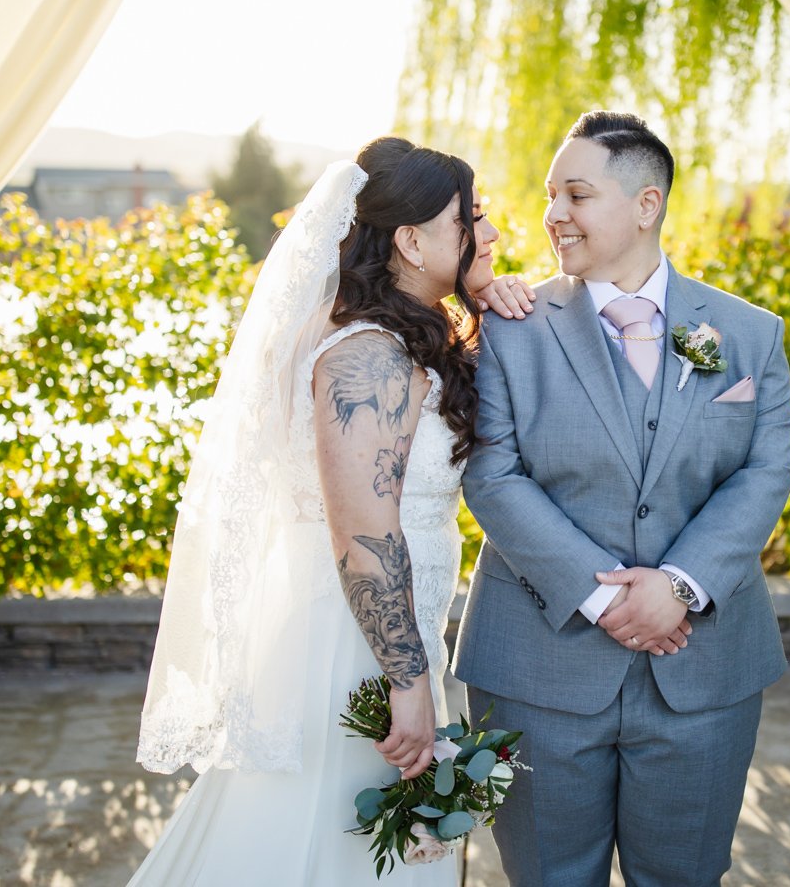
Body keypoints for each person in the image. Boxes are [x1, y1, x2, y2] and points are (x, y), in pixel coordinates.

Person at [129, 136, 534, 885]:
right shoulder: (367, 355)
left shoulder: (394, 335)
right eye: (472, 219)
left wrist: (489, 298)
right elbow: (364, 531)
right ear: (411, 240)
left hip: (380, 640)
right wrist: (410, 684)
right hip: (354, 655)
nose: (494, 234)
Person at [453, 111, 790, 886]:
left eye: (576, 194)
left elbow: (766, 468)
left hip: (704, 672)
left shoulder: (748, 336)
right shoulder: (508, 329)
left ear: (646, 204)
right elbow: (492, 474)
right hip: (537, 672)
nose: (553, 215)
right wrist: (605, 599)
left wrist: (678, 586)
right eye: (549, 195)